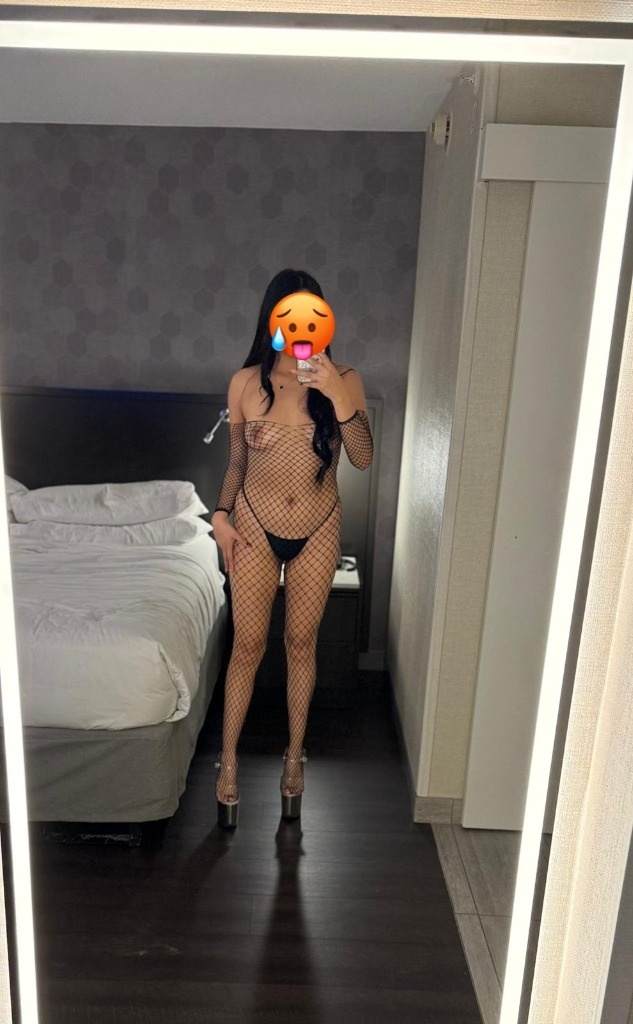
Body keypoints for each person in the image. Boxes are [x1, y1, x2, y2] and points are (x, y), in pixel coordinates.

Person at [211, 268, 373, 828]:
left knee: (301, 643)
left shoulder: (343, 378)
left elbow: (363, 458)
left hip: (318, 526)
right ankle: (228, 761)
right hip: (254, 526)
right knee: (248, 644)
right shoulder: (244, 383)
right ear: (272, 320)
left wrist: (336, 394)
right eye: (289, 315)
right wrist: (220, 516)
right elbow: (237, 463)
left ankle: (294, 758)